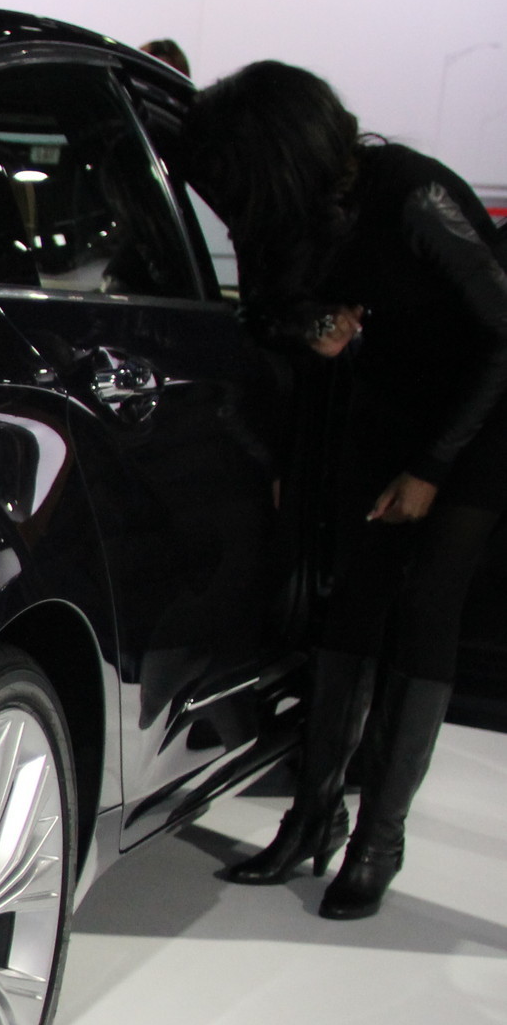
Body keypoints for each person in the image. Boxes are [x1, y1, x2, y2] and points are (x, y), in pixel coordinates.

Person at [189, 61, 507, 918]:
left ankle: (380, 840)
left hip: (475, 423)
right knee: (352, 608)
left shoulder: (411, 195)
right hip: (386, 410)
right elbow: (266, 313)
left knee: (425, 609)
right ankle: (313, 817)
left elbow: (502, 336)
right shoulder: (289, 216)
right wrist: (316, 326)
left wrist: (433, 467)